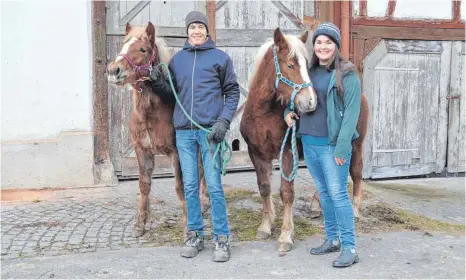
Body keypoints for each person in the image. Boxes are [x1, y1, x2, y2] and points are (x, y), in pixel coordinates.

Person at [150, 10, 240, 262]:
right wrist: (159, 84)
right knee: (189, 186)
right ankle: (195, 235)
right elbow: (172, 96)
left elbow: (232, 92)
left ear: (207, 31)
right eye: (192, 27)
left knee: (213, 186)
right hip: (184, 134)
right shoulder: (178, 60)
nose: (196, 31)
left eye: (200, 26)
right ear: (187, 31)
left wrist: (223, 121)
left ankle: (222, 238)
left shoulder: (220, 58)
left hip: (210, 133)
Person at [284, 22, 361, 268]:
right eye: (319, 42)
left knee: (338, 195)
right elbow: (296, 93)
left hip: (332, 145)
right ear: (313, 46)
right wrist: (289, 111)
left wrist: (342, 148)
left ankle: (349, 247)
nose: (323, 46)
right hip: (310, 141)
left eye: (328, 42)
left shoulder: (347, 74)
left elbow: (351, 113)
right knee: (325, 193)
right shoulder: (309, 71)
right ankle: (332, 238)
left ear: (336, 46)